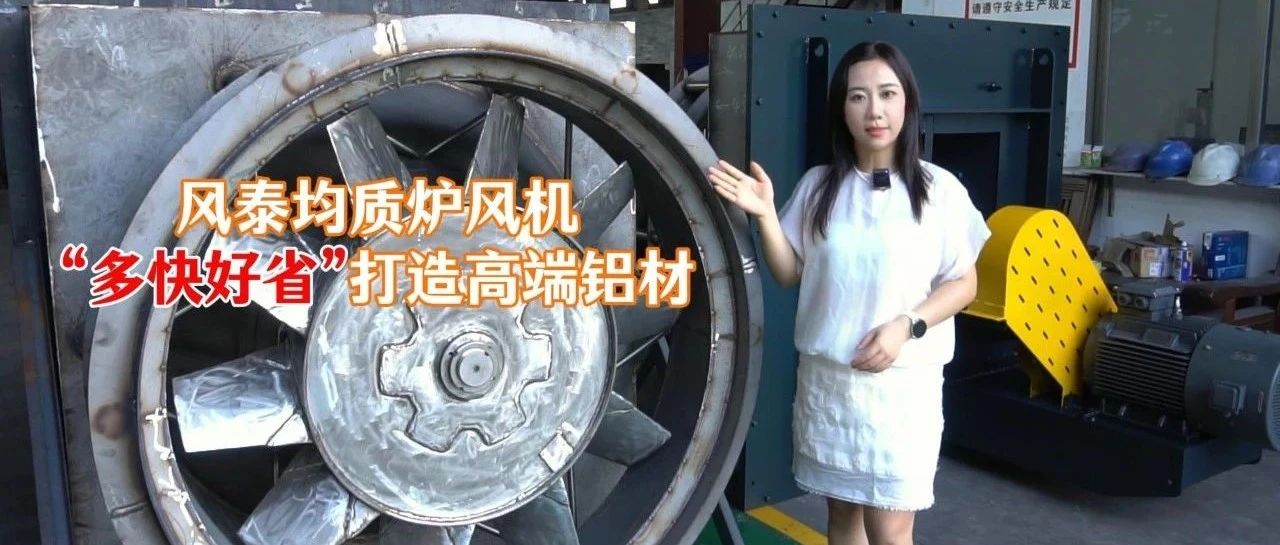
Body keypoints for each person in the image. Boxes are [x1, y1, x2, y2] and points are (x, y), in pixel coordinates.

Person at [707, 41, 991, 545]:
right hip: (833, 388)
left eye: (887, 94)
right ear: (842, 108)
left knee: (890, 526)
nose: (874, 111)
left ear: (908, 102)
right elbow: (789, 271)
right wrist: (766, 214)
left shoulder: (938, 190)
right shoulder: (820, 187)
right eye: (858, 97)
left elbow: (965, 282)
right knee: (842, 517)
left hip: (902, 391)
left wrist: (907, 325)